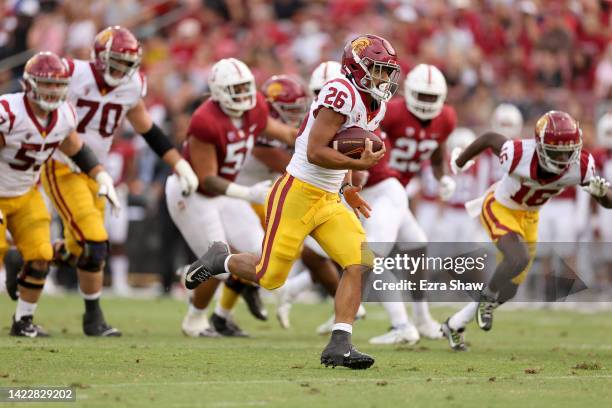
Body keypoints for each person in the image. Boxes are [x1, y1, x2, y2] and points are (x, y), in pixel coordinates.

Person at [184, 34, 400, 369]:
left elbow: (347, 148)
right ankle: (220, 260)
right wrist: (358, 166)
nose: (383, 79)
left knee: (360, 261)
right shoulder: (339, 92)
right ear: (356, 67)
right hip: (298, 192)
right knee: (269, 276)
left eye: (387, 71)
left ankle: (339, 344)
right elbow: (316, 152)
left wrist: (348, 188)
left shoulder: (376, 103)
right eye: (377, 69)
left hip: (329, 197)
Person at [40, 26, 198, 337]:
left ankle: (32, 256)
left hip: (97, 172)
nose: (122, 70)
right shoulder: (72, 72)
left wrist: (180, 164)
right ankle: (93, 317)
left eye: (128, 65)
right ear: (98, 58)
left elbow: (147, 129)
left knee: (81, 249)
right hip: (62, 165)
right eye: (116, 62)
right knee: (96, 241)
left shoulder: (131, 86)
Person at [442, 110, 612, 351]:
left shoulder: (581, 166)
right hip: (500, 206)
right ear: (540, 146)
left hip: (530, 216)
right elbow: (490, 137)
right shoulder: (519, 154)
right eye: (557, 152)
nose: (564, 158)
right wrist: (460, 162)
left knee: (510, 289)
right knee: (517, 258)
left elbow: (608, 202)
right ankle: (487, 298)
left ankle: (454, 323)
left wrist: (600, 193)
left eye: (568, 151)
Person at [166, 58, 297, 337]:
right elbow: (207, 179)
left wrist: (315, 140)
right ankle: (195, 320)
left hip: (225, 192)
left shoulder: (255, 107)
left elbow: (284, 133)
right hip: (193, 194)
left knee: (264, 254)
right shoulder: (204, 120)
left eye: (244, 87)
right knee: (219, 261)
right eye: (234, 89)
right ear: (218, 91)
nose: (242, 95)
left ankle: (194, 274)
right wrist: (249, 193)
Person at [2, 51, 119, 336]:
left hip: (26, 192)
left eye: (57, 85)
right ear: (29, 84)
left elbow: (75, 148)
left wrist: (100, 174)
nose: (52, 90)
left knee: (41, 254)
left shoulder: (65, 114)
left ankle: (23, 321)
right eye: (46, 84)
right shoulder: (9, 112)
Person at [374, 64, 457, 343]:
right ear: (408, 92)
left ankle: (420, 319)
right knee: (372, 256)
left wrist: (441, 176)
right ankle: (401, 324)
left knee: (417, 247)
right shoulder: (391, 112)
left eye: (432, 97)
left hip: (396, 193)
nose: (426, 103)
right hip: (374, 189)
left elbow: (436, 150)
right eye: (421, 96)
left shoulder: (445, 119)